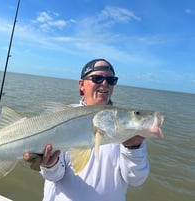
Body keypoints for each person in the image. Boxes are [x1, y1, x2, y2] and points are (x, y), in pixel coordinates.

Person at [24, 59, 149, 201]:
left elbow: (136, 179)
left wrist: (134, 148)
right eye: (97, 78)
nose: (105, 83)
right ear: (81, 85)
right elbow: (55, 176)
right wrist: (50, 165)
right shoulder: (61, 118)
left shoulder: (125, 126)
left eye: (111, 80)